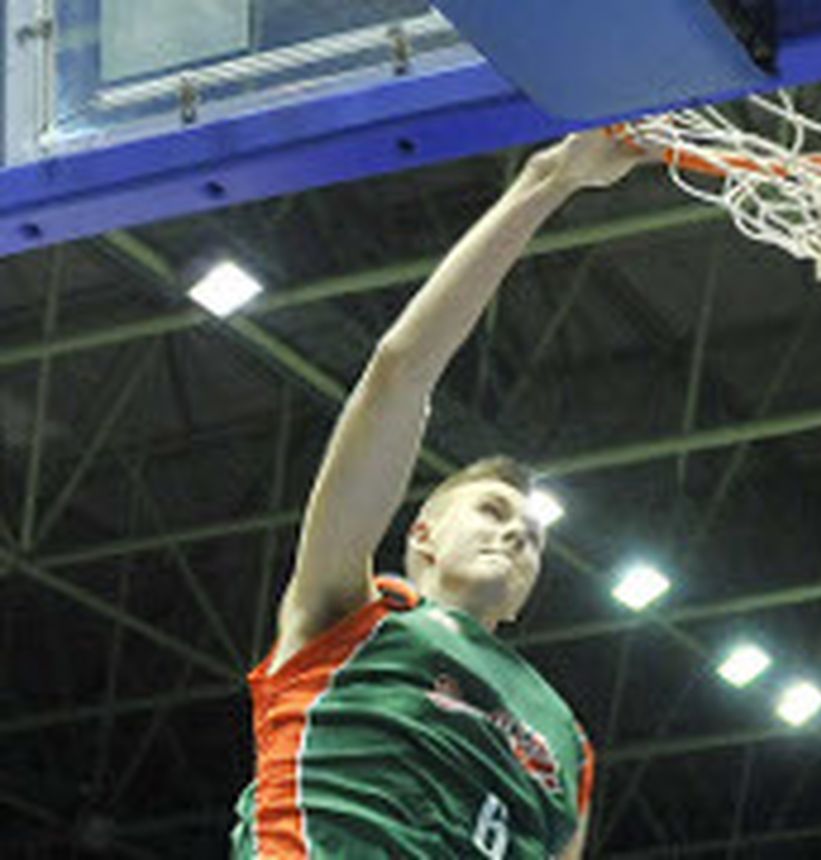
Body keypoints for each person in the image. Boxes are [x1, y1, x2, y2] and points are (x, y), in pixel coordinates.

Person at [231, 131, 642, 858]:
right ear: (419, 532)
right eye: (492, 510)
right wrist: (547, 182)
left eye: (535, 537)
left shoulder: (566, 739)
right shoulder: (349, 612)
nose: (519, 535)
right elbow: (400, 371)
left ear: (522, 603)